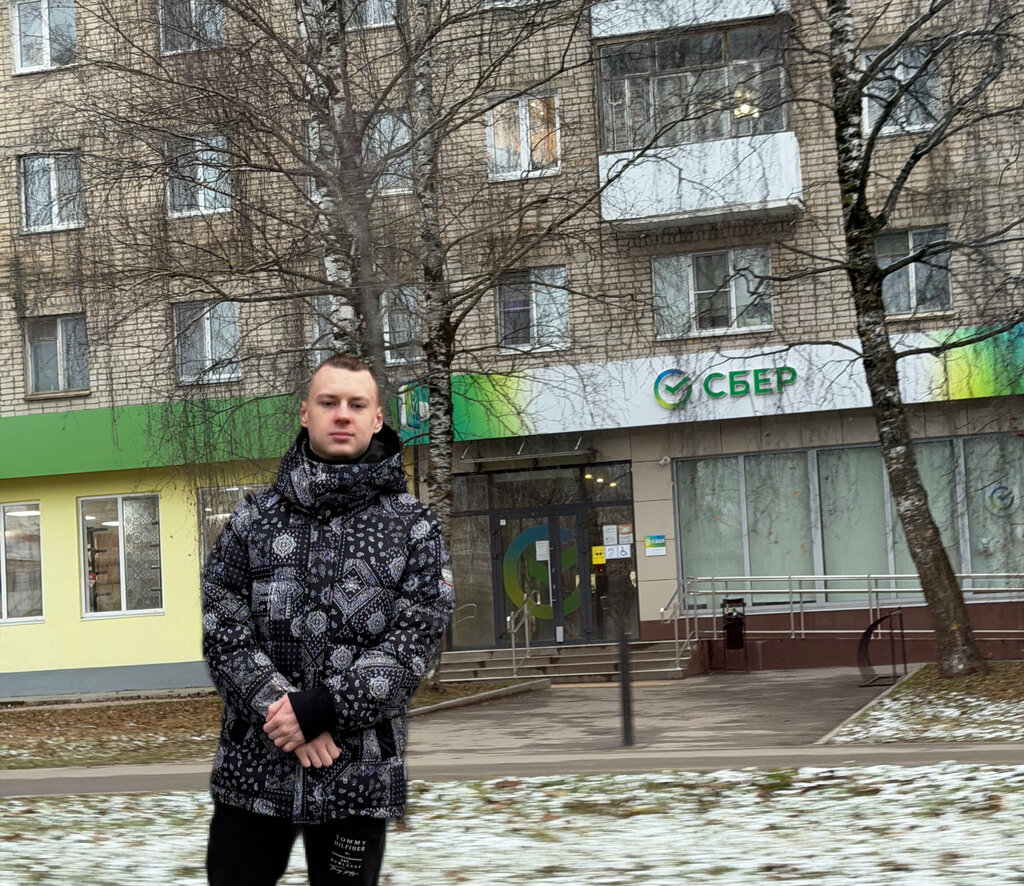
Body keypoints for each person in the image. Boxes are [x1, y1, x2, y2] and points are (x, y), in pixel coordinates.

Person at [201, 353, 455, 886]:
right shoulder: (253, 519)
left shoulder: (414, 529)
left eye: (356, 404)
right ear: (305, 414)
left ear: (377, 418)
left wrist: (324, 708)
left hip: (357, 776)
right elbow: (224, 631)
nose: (343, 414)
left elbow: (413, 643)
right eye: (329, 402)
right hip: (254, 770)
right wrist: (289, 716)